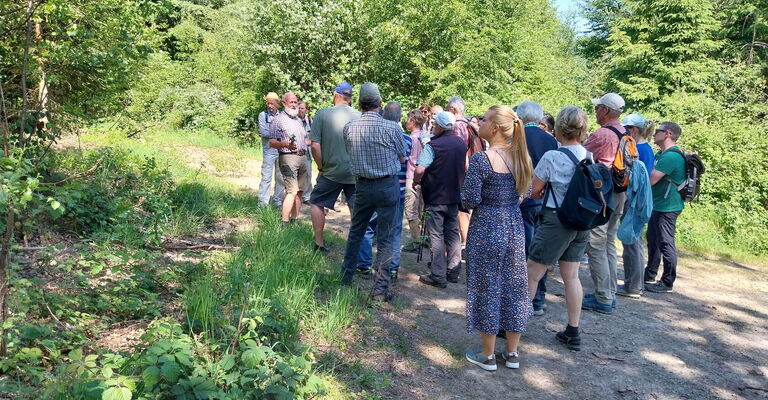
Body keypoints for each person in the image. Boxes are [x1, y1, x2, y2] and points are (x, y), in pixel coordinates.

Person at [462, 105, 533, 371]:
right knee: (515, 287)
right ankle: (512, 354)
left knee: (487, 286)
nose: (479, 122)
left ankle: (488, 355)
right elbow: (525, 194)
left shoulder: (482, 159)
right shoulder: (522, 157)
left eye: (484, 119)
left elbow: (470, 198)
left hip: (487, 227)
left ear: (493, 127)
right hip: (514, 226)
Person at [526, 105, 592, 351]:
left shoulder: (552, 157)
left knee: (533, 270)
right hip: (581, 220)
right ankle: (572, 331)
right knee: (571, 276)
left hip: (556, 219)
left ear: (559, 128)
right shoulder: (588, 155)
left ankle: (513, 324)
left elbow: (534, 190)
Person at [340, 83, 406, 303]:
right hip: (387, 186)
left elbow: (351, 153)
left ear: (359, 103)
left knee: (356, 232)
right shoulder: (393, 128)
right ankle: (380, 289)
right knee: (386, 237)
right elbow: (401, 157)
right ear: (380, 104)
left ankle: (346, 278)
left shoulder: (350, 127)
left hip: (362, 186)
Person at [581, 92, 627, 315]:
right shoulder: (625, 132)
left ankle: (603, 297)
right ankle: (609, 292)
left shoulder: (603, 134)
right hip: (620, 194)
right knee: (609, 242)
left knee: (596, 245)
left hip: (603, 196)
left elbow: (581, 156)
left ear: (606, 110)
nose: (595, 111)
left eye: (598, 107)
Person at [356, 102, 412, 281]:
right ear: (400, 118)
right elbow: (407, 161)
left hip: (375, 185)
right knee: (393, 230)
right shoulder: (408, 139)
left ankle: (364, 264)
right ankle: (391, 268)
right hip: (398, 189)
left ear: (383, 115)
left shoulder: (375, 134)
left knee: (368, 227)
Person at [414, 111, 466, 288]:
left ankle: (437, 274)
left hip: (435, 196)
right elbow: (465, 166)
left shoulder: (433, 145)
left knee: (436, 235)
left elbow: (420, 169)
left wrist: (416, 181)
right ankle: (454, 270)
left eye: (435, 124)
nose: (433, 127)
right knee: (452, 233)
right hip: (454, 196)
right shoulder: (460, 143)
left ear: (441, 127)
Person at [308, 82, 361, 253]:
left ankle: (319, 243)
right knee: (356, 210)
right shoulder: (360, 116)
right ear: (350, 98)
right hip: (355, 173)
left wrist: (321, 167)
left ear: (335, 94)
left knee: (316, 201)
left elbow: (314, 145)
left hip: (331, 172)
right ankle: (357, 250)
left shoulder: (322, 114)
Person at [517, 101, 558, 315]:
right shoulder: (551, 140)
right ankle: (539, 298)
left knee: (523, 251)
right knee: (540, 253)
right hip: (545, 202)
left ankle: (523, 300)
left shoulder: (515, 137)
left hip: (522, 200)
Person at [644, 122, 687, 293]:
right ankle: (649, 275)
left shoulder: (671, 157)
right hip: (659, 204)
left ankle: (668, 281)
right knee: (653, 240)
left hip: (668, 206)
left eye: (658, 131)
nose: (654, 134)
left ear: (668, 133)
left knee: (665, 242)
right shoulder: (662, 154)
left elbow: (651, 180)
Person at [617, 113, 653, 298]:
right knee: (632, 242)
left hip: (634, 201)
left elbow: (637, 180)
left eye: (626, 128)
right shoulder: (642, 148)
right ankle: (633, 284)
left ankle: (633, 286)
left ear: (634, 130)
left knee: (632, 241)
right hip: (635, 200)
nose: (623, 132)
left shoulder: (640, 150)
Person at [268, 92, 309, 224]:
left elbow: (304, 139)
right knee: (292, 191)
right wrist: (285, 144)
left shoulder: (298, 120)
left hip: (302, 157)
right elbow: (272, 142)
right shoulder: (278, 120)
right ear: (284, 103)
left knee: (300, 191)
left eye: (295, 102)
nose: (294, 104)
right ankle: (284, 222)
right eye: (291, 102)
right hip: (287, 158)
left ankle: (294, 220)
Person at [445, 96, 472, 249]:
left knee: (460, 211)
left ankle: (464, 244)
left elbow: (457, 150)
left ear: (454, 110)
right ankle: (465, 243)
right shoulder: (467, 124)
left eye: (447, 109)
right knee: (462, 210)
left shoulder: (457, 125)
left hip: (457, 173)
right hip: (464, 171)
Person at [403, 110, 428, 252]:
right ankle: (424, 238)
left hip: (412, 176)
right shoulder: (426, 138)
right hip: (425, 178)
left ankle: (416, 241)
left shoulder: (409, 139)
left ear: (413, 121)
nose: (407, 122)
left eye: (408, 120)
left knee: (411, 210)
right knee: (422, 210)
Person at [257, 92, 285, 207]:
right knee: (266, 177)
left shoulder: (282, 115)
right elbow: (264, 132)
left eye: (272, 103)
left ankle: (277, 201)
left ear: (277, 103)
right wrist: (279, 134)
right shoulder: (262, 115)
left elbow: (286, 130)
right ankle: (262, 203)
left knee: (280, 177)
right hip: (268, 150)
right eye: (268, 103)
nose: (270, 106)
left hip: (281, 150)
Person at [298, 101, 313, 204]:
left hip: (307, 152)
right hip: (296, 151)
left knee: (308, 174)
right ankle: (295, 195)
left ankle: (307, 196)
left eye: (302, 108)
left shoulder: (310, 120)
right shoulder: (293, 120)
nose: (300, 110)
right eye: (299, 108)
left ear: (306, 110)